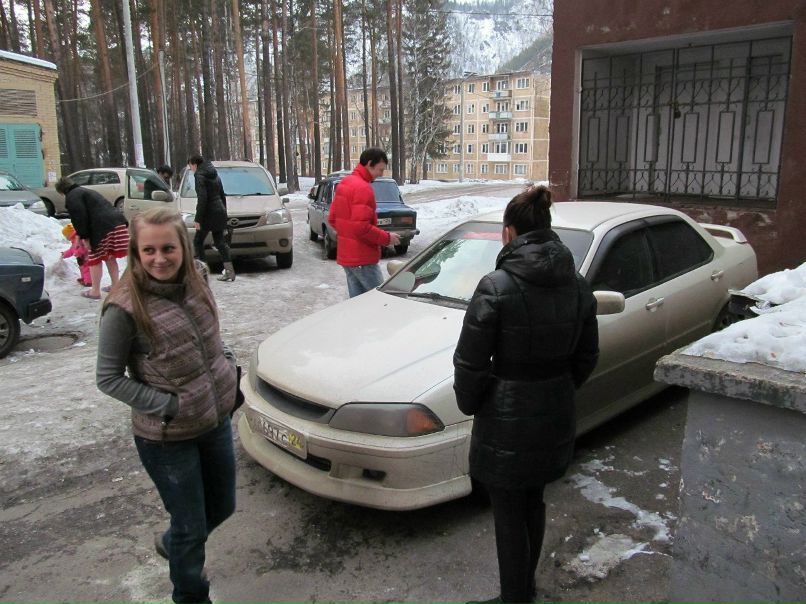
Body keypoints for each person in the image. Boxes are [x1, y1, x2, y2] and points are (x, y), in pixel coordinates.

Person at [453, 185, 600, 604]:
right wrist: (558, 387)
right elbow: (587, 355)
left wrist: (475, 403)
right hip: (554, 410)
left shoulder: (495, 285)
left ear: (509, 233)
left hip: (507, 415)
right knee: (533, 500)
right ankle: (524, 590)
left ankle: (514, 597)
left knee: (508, 510)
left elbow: (470, 361)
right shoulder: (577, 284)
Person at [96, 207, 237, 604]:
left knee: (222, 507)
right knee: (191, 527)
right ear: (136, 253)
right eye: (149, 250)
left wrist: (227, 367)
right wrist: (169, 405)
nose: (159, 258)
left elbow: (209, 336)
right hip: (167, 437)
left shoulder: (198, 278)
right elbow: (107, 378)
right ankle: (191, 595)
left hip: (214, 419)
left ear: (183, 247)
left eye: (168, 248)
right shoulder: (123, 308)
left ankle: (174, 542)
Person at [328, 147, 400, 297]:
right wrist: (387, 238)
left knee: (358, 303)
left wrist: (349, 237)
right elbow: (361, 227)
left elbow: (333, 219)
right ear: (369, 164)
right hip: (363, 258)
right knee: (380, 301)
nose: (381, 174)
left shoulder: (345, 183)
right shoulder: (363, 188)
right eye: (380, 169)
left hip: (348, 258)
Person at [56, 176, 129, 299]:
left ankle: (95, 291)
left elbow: (79, 217)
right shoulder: (86, 191)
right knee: (110, 257)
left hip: (102, 228)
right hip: (118, 223)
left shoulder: (72, 196)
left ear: (62, 191)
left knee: (94, 258)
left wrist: (84, 236)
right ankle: (115, 286)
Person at [187, 154, 235, 282]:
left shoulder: (199, 175)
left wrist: (198, 219)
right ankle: (230, 271)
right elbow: (222, 195)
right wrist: (224, 214)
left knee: (198, 241)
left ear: (194, 164)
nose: (191, 169)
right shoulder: (214, 174)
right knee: (220, 242)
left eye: (190, 166)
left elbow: (202, 198)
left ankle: (202, 273)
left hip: (208, 213)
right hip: (219, 210)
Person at [61, 222, 91, 287]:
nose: (66, 238)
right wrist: (64, 254)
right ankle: (84, 278)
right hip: (81, 258)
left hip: (85, 257)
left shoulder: (78, 239)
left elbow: (82, 249)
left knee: (87, 269)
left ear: (69, 234)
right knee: (82, 268)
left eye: (66, 236)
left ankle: (88, 282)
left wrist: (81, 255)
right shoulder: (74, 241)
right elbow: (71, 251)